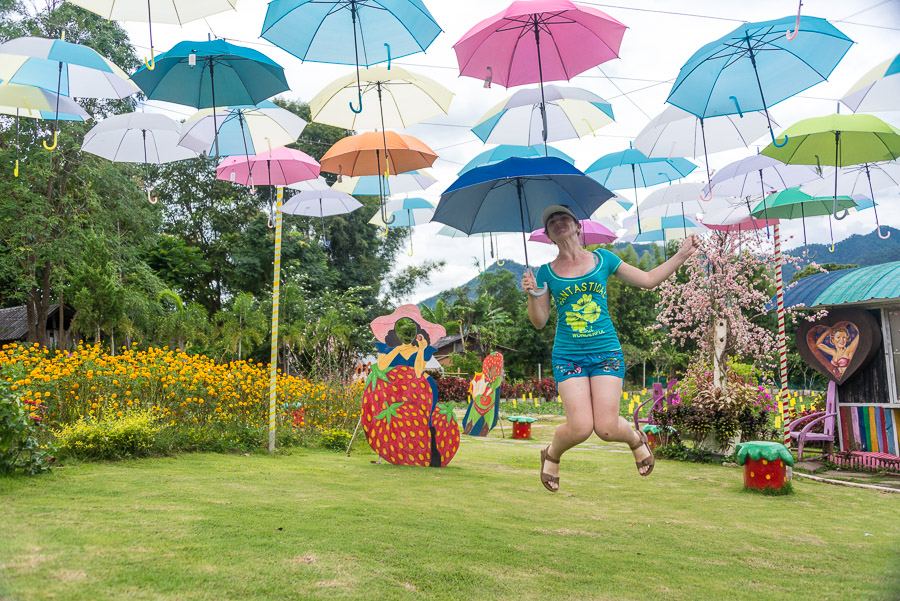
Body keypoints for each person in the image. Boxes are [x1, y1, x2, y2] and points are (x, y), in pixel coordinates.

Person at [521, 205, 699, 492]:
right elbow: (540, 322)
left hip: (606, 351)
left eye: (563, 217)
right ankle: (552, 454)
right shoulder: (545, 273)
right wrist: (532, 295)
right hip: (568, 356)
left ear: (577, 226)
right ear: (549, 235)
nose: (557, 222)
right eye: (551, 221)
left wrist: (681, 255)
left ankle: (634, 439)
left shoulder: (603, 258)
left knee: (605, 429)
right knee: (579, 429)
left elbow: (649, 280)